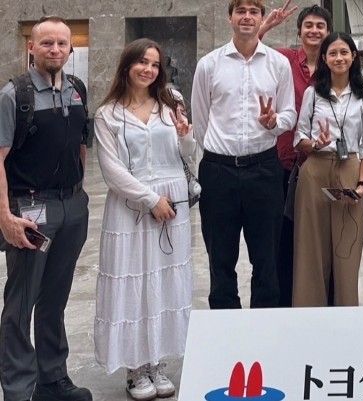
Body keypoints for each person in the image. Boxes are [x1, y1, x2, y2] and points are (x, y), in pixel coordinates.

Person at [93, 38, 195, 400]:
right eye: (142, 62)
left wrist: (186, 138)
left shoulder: (172, 102)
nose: (148, 69)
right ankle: (135, 368)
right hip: (131, 205)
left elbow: (188, 154)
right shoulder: (108, 114)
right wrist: (150, 199)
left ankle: (156, 361)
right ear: (127, 66)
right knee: (132, 281)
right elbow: (111, 170)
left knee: (165, 280)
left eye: (154, 64)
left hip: (173, 199)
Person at [0, 16, 93, 401]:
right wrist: (5, 217)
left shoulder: (77, 88)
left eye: (62, 44)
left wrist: (78, 194)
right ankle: (20, 390)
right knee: (21, 304)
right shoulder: (14, 96)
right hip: (30, 211)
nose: (55, 50)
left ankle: (52, 380)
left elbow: (81, 146)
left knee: (55, 298)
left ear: (71, 49)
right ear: (31, 48)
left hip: (71, 207)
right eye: (47, 43)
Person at [191, 0, 296, 309]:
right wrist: (217, 151)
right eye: (241, 11)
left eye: (254, 11)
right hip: (218, 171)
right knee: (220, 258)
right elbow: (201, 121)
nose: (247, 17)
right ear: (230, 18)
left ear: (261, 18)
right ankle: (227, 329)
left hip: (264, 170)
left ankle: (263, 332)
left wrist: (274, 122)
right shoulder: (210, 64)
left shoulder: (277, 63)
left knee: (266, 259)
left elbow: (289, 112)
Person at [292, 32, 363, 306]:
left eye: (344, 52)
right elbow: (299, 137)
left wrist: (362, 184)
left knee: (346, 248)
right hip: (315, 170)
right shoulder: (313, 94)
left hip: (350, 169)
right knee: (311, 249)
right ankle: (309, 316)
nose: (339, 58)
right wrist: (315, 144)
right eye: (333, 53)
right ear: (324, 58)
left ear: (353, 56)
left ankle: (346, 316)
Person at [258, 2, 333, 307]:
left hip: (323, 165)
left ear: (328, 32)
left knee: (320, 240)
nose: (314, 31)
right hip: (285, 162)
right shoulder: (285, 59)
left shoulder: (335, 63)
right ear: (300, 30)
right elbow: (251, 51)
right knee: (283, 238)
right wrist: (266, 26)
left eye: (320, 26)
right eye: (309, 25)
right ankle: (286, 304)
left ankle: (324, 302)